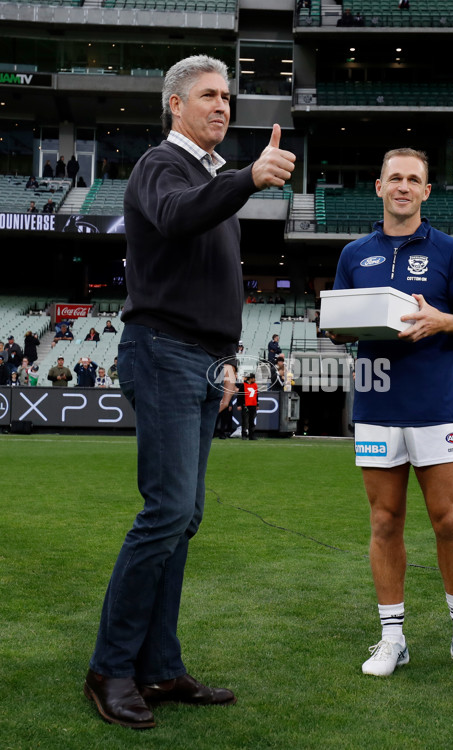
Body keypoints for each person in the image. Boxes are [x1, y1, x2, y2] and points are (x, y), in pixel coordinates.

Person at [84, 53, 295, 730]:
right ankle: (110, 669)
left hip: (205, 362)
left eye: (227, 96)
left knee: (185, 517)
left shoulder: (207, 176)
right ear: (174, 104)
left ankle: (160, 668)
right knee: (166, 511)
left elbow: (210, 279)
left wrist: (230, 358)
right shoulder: (161, 166)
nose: (222, 106)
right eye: (208, 95)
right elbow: (176, 219)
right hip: (162, 352)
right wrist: (246, 179)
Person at [329, 148, 453, 680]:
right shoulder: (354, 253)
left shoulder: (450, 251)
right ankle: (392, 639)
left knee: (449, 520)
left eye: (413, 179)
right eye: (394, 177)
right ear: (378, 186)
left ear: (426, 191)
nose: (402, 186)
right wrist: (338, 327)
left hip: (432, 407)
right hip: (376, 405)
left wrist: (443, 321)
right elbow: (341, 323)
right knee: (383, 521)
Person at [241, 372, 259, 439]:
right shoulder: (243, 385)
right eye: (253, 378)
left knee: (251, 421)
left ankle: (251, 435)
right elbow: (240, 396)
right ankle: (244, 434)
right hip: (245, 405)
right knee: (245, 421)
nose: (254, 379)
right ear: (251, 378)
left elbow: (256, 395)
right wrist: (239, 404)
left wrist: (257, 403)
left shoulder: (255, 385)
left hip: (253, 405)